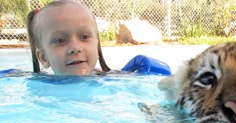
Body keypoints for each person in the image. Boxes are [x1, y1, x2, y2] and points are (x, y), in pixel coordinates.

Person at [25, 0, 171, 76]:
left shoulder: (116, 79)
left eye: (84, 36)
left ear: (96, 44)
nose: (75, 47)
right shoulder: (38, 86)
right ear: (43, 58)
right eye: (60, 40)